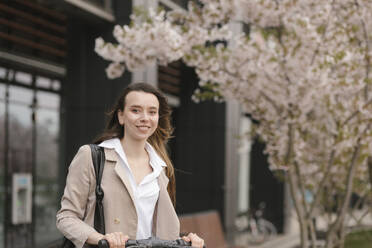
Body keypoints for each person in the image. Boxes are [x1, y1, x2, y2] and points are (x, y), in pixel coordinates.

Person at [56, 83, 204, 248]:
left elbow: (157, 228)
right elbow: (67, 217)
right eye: (135, 110)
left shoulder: (160, 167)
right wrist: (101, 239)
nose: (145, 118)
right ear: (121, 116)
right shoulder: (92, 156)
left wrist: (186, 241)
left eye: (152, 112)